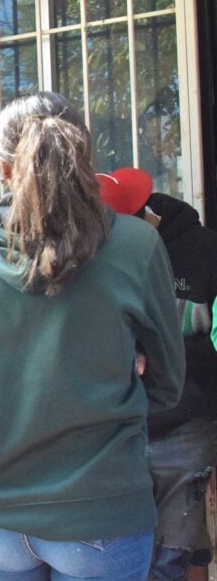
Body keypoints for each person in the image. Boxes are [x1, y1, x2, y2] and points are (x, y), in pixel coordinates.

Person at [0, 91, 185, 579]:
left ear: (3, 167)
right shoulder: (136, 244)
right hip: (101, 507)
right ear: (84, 158)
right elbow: (167, 385)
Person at [99, 167, 217, 579]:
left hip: (186, 431)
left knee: (169, 562)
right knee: (115, 559)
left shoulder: (205, 253)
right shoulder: (93, 255)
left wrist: (164, 361)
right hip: (115, 432)